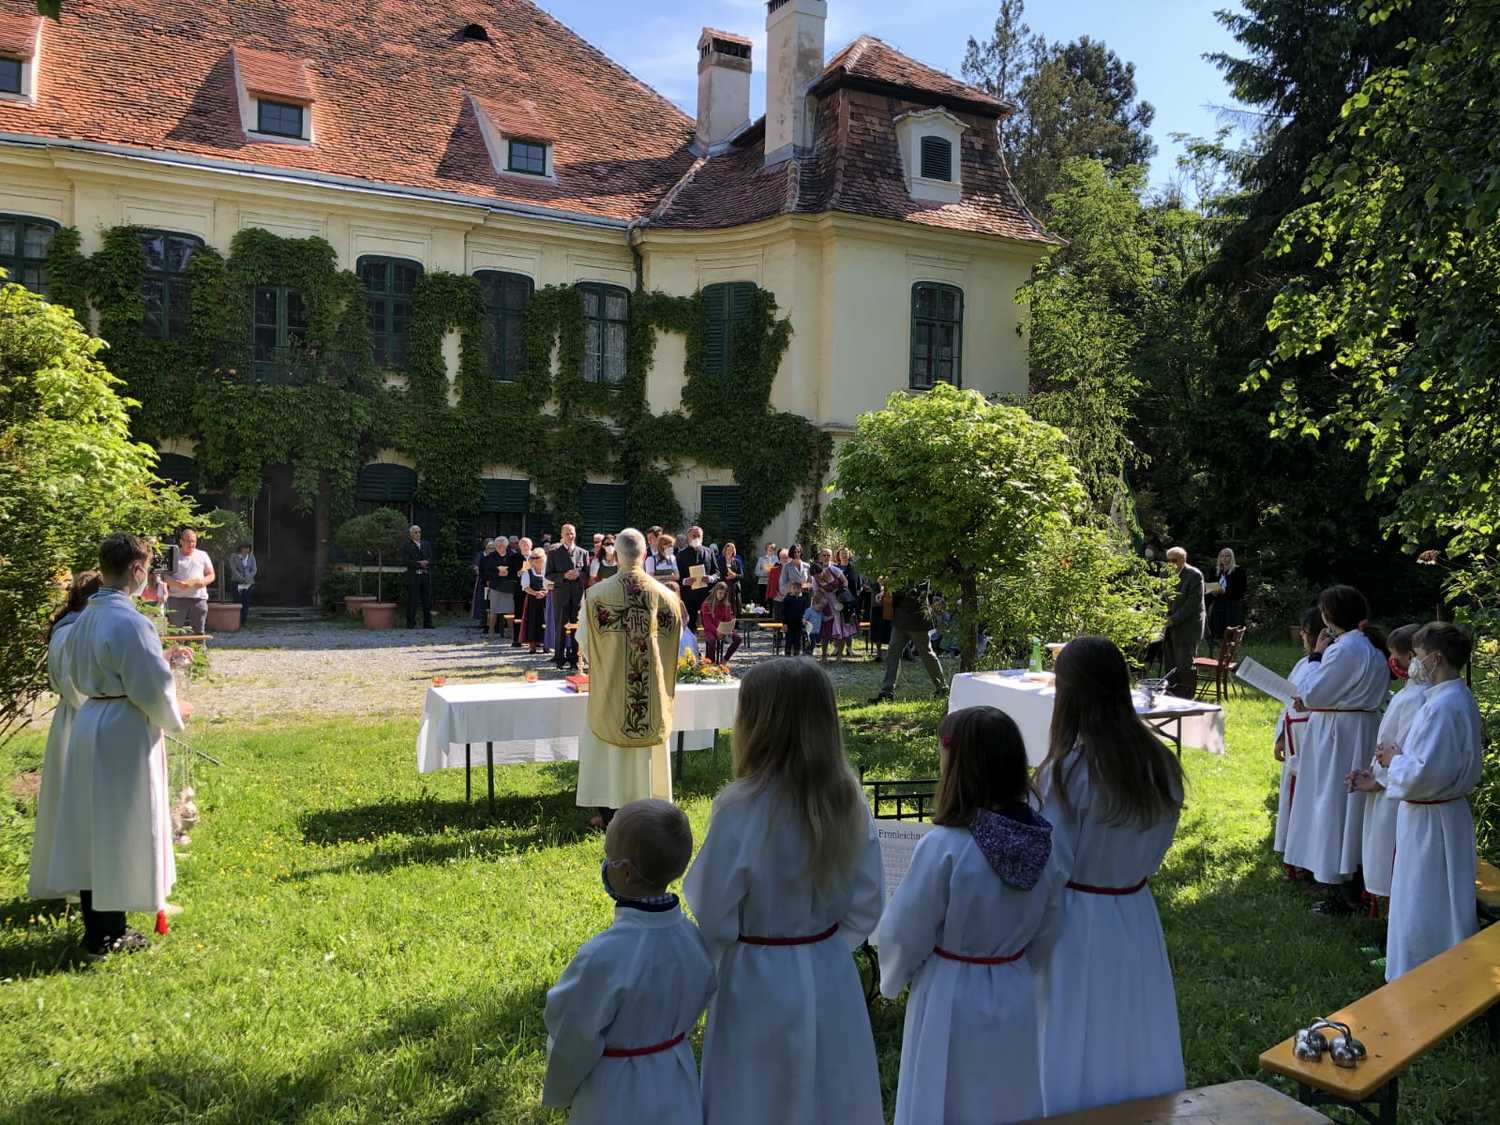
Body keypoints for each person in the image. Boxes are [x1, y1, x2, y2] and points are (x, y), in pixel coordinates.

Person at [684, 658, 884, 1125]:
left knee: (755, 1096)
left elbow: (713, 910)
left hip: (755, 979)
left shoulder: (739, 809)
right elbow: (868, 900)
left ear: (755, 725)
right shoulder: (848, 801)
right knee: (832, 1090)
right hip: (829, 971)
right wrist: (823, 948)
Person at [876, 706, 1065, 1125]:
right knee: (1009, 1093)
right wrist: (1017, 966)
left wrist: (894, 977)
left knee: (947, 1097)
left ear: (957, 767)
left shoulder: (945, 847)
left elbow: (905, 930)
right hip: (1014, 987)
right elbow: (1050, 926)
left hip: (951, 993)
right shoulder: (1045, 844)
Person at [1034, 636, 1186, 1116]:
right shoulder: (1159, 762)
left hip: (1076, 917)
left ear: (1070, 695)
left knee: (1074, 1026)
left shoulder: (1068, 771)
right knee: (1132, 1018)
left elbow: (1050, 862)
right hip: (1134, 909)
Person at [57, 534, 191, 956]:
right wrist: (174, 710)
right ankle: (107, 934)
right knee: (118, 826)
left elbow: (76, 672)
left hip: (91, 719)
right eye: (146, 568)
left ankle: (101, 926)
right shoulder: (130, 621)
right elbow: (150, 684)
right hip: (122, 729)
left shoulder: (84, 617)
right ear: (136, 569)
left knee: (93, 828)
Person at [542, 799, 714, 1124]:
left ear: (626, 872)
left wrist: (560, 1091)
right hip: (676, 1081)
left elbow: (571, 1031)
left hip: (614, 1094)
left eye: (609, 855)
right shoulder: (695, 940)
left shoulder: (603, 956)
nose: (605, 863)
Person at [1367, 623, 1482, 981]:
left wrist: (1392, 760)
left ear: (1436, 659)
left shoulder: (1443, 707)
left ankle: (1424, 974)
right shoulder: (1450, 699)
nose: (1413, 664)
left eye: (1417, 657)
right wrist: (1401, 757)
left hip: (1431, 820)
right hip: (1439, 814)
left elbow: (1424, 773)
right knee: (1436, 894)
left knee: (1424, 897)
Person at [1283, 585, 1389, 913]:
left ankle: (1339, 884)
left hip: (1337, 734)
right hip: (1358, 728)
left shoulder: (1343, 649)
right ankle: (1351, 877)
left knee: (1332, 803)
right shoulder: (1369, 645)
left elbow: (1313, 693)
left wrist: (1316, 657)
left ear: (1330, 615)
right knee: (1349, 805)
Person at [574, 529, 684, 828]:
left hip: (611, 687)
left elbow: (584, 641)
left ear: (616, 555)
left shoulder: (596, 595)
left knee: (611, 750)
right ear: (645, 554)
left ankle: (611, 814)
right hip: (649, 694)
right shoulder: (666, 597)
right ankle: (650, 809)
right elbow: (672, 646)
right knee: (644, 754)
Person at [27, 571, 102, 905]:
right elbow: (77, 685)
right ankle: (78, 883)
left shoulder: (67, 628)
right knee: (79, 803)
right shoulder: (73, 633)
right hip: (81, 718)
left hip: (70, 718)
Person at [1351, 624, 1428, 905]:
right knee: (1380, 846)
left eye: (1395, 656)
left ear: (1412, 656)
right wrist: (1373, 769)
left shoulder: (1419, 697)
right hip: (1385, 776)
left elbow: (1404, 744)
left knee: (1390, 851)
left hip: (1395, 785)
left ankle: (1393, 909)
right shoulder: (1410, 692)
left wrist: (1380, 779)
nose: (1392, 662)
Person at [1273, 607, 1324, 877]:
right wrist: (1281, 735)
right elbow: (1288, 700)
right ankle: (1293, 853)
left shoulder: (1324, 664)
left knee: (1309, 798)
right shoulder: (1304, 663)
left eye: (1304, 633)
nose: (1302, 638)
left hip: (1311, 740)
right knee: (1292, 796)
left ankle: (1308, 859)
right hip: (1294, 736)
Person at [870, 583, 946, 702]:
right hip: (899, 620)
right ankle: (886, 692)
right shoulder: (897, 573)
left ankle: (942, 688)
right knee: (893, 654)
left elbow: (919, 593)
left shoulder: (920, 573)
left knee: (927, 654)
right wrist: (884, 593)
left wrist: (891, 593)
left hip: (917, 620)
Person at [1162, 547, 1204, 698]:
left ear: (1183, 559)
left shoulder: (1194, 575)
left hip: (1188, 626)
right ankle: (1171, 694)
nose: (1170, 564)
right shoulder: (1166, 574)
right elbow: (1163, 598)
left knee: (1185, 662)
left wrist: (1173, 619)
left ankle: (1186, 696)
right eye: (1168, 561)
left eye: (1174, 561)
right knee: (1171, 662)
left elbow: (1192, 604)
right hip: (1170, 625)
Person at [547, 523, 589, 670]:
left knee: (577, 627)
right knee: (560, 626)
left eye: (572, 533)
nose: (570, 536)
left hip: (577, 595)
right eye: (567, 533)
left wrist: (579, 575)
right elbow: (549, 575)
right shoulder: (554, 553)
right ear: (562, 535)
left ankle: (575, 658)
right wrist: (564, 576)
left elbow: (587, 575)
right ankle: (559, 657)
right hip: (561, 595)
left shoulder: (583, 553)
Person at [164, 527, 214, 635]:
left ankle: (199, 647)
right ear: (181, 541)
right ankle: (177, 647)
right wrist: (177, 584)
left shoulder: (202, 555)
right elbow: (164, 576)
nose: (191, 544)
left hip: (198, 598)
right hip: (177, 598)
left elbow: (211, 575)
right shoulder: (173, 555)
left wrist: (203, 582)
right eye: (188, 541)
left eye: (193, 541)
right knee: (175, 631)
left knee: (199, 632)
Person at [812, 548, 856, 661]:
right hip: (827, 604)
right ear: (820, 557)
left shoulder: (834, 569)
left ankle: (839, 657)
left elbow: (845, 581)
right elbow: (816, 593)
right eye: (824, 555)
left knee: (842, 629)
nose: (826, 557)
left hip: (840, 602)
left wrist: (841, 593)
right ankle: (824, 656)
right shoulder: (815, 576)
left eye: (828, 555)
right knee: (826, 631)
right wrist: (821, 596)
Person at [675, 525, 717, 634]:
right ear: (688, 537)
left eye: (699, 536)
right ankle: (691, 645)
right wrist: (685, 581)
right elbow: (676, 576)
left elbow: (717, 573)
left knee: (710, 626)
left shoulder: (709, 552)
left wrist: (711, 578)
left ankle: (710, 645)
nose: (696, 538)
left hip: (706, 596)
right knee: (689, 628)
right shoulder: (681, 555)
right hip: (689, 597)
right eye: (694, 536)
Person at [1205, 547, 1247, 645]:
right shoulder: (1215, 571)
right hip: (1218, 601)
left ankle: (1232, 644)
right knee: (1218, 624)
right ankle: (1219, 642)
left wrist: (1225, 591)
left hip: (1232, 602)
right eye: (1222, 556)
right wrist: (1212, 591)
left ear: (1231, 557)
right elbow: (1210, 585)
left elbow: (1242, 589)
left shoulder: (1239, 570)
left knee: (1231, 625)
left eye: (1227, 556)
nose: (1224, 558)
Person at [776, 545, 812, 657]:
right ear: (791, 553)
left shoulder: (807, 566)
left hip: (804, 597)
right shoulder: (787, 566)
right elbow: (782, 583)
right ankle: (788, 651)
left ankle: (801, 650)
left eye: (798, 552)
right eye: (795, 552)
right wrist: (792, 589)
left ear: (801, 552)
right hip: (791, 596)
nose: (797, 554)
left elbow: (811, 583)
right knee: (790, 629)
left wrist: (804, 586)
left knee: (802, 626)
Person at [401, 524, 434, 629]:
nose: (418, 534)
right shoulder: (406, 545)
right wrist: (418, 563)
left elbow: (431, 557)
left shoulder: (426, 544)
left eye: (419, 532)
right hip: (413, 576)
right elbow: (405, 561)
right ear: (411, 534)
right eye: (415, 532)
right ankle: (410, 623)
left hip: (425, 575)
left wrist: (427, 562)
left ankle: (427, 623)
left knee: (427, 599)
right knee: (413, 599)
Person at [699, 582, 741, 664]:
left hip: (723, 630)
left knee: (738, 639)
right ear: (715, 592)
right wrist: (717, 631)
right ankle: (711, 663)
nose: (722, 595)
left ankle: (724, 660)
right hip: (711, 630)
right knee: (712, 641)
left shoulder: (726, 605)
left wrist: (729, 629)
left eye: (724, 594)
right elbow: (707, 623)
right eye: (720, 593)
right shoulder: (706, 604)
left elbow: (728, 620)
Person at [518, 547, 549, 653]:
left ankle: (546, 644)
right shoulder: (527, 571)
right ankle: (532, 645)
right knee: (532, 621)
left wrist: (545, 592)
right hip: (532, 600)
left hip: (546, 599)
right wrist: (536, 593)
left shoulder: (547, 571)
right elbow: (526, 587)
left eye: (540, 560)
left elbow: (550, 584)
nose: (538, 563)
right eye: (535, 561)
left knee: (546, 620)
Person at [478, 539, 509, 637]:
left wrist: (508, 573)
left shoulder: (511, 556)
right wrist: (497, 574)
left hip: (509, 586)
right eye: (498, 545)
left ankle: (510, 631)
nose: (500, 547)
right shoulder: (489, 558)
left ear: (506, 546)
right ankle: (491, 631)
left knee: (509, 610)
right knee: (493, 609)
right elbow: (484, 572)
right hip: (494, 586)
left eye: (502, 545)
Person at [504, 537, 528, 645]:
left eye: (527, 545)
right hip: (519, 589)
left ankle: (535, 639)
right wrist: (517, 573)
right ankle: (517, 639)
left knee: (535, 614)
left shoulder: (535, 556)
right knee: (519, 613)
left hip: (535, 589)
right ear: (519, 546)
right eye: (523, 545)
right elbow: (509, 574)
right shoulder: (514, 557)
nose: (525, 547)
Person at [226, 542, 256, 626]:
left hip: (249, 583)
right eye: (244, 548)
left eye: (248, 548)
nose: (246, 550)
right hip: (237, 582)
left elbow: (254, 569)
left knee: (246, 602)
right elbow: (233, 569)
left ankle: (244, 620)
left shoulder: (251, 556)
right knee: (237, 601)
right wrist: (242, 579)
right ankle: (236, 621)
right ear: (240, 548)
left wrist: (248, 578)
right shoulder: (234, 556)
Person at [716, 542, 744, 613]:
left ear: (733, 551)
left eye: (731, 550)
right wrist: (725, 577)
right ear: (725, 550)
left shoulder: (737, 562)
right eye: (728, 550)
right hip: (723, 587)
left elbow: (741, 575)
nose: (729, 551)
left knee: (734, 609)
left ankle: (735, 619)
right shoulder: (719, 561)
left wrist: (734, 575)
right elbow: (717, 574)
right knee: (723, 607)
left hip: (734, 588)